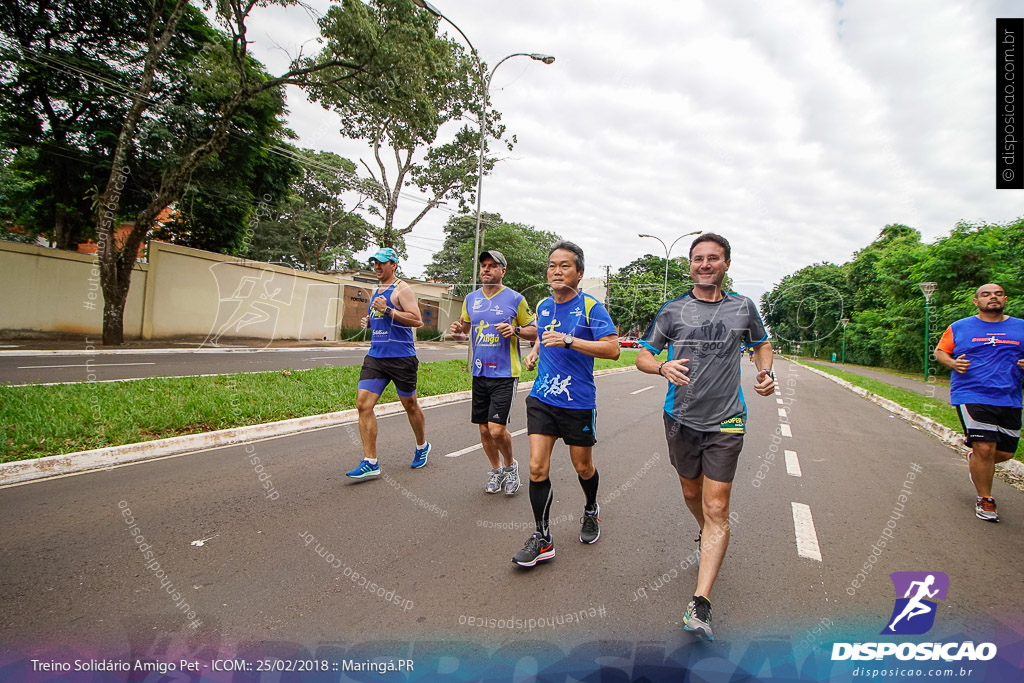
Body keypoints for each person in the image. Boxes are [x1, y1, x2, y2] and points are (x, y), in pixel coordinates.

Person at [635, 232, 776, 641]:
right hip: (679, 418)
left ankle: (701, 603)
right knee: (692, 494)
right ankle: (705, 532)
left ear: (726, 264)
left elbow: (762, 346)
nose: (705, 264)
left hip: (727, 420)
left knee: (717, 506)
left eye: (713, 258)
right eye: (698, 258)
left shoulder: (743, 307)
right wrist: (661, 368)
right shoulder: (673, 309)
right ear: (691, 265)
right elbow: (644, 353)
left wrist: (765, 372)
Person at [511, 241, 620, 568]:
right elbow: (542, 335)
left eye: (565, 266)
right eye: (552, 265)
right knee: (536, 467)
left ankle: (591, 509)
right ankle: (543, 538)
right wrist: (531, 350)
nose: (556, 271)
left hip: (577, 402)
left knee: (582, 466)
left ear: (580, 272)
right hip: (543, 397)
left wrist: (571, 340)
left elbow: (613, 349)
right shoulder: (544, 306)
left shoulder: (591, 308)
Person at [448, 250, 538, 495]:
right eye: (483, 265)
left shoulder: (515, 299)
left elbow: (534, 331)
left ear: (502, 271)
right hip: (479, 373)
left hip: (505, 373)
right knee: (484, 429)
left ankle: (511, 467)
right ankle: (496, 470)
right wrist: (457, 330)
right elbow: (462, 333)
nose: (486, 269)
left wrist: (515, 330)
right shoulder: (471, 299)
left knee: (497, 428)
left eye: (492, 266)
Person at [934, 283, 1024, 522]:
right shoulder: (960, 327)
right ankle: (986, 498)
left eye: (997, 294)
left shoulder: (1021, 328)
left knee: (1004, 452)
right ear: (976, 301)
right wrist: (953, 364)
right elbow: (941, 352)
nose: (992, 297)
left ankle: (976, 462)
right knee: (985, 448)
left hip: (1010, 396)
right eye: (986, 294)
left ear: (1005, 299)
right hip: (971, 393)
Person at [346, 248, 431, 479]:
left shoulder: (402, 289)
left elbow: (417, 320)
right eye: (375, 263)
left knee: (410, 405)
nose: (377, 267)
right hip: (376, 357)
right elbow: (380, 318)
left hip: (401, 358)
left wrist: (389, 310)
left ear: (394, 264)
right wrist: (370, 322)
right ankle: (370, 461)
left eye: (382, 263)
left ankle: (422, 445)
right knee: (363, 404)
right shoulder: (375, 290)